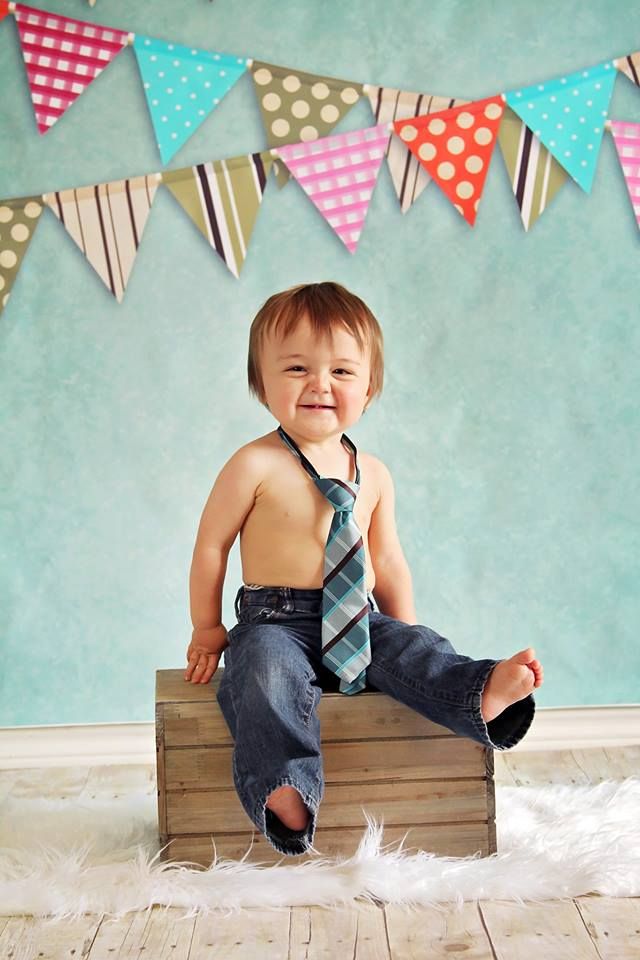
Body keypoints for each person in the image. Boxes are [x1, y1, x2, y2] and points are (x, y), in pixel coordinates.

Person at [185, 281, 544, 856]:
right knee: (262, 677)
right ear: (261, 383)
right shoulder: (253, 462)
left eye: (342, 372)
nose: (319, 385)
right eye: (296, 367)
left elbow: (387, 558)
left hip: (356, 619)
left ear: (370, 387)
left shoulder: (371, 472)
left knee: (416, 651)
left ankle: (477, 693)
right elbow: (211, 547)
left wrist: (406, 629)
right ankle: (285, 786)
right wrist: (207, 627)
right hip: (276, 618)